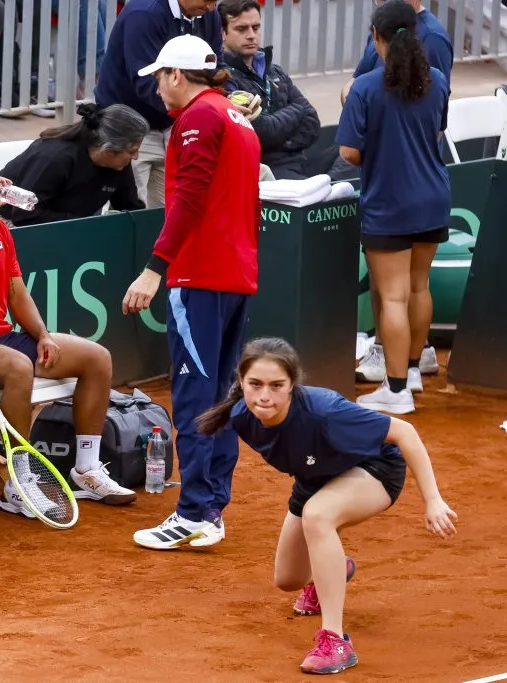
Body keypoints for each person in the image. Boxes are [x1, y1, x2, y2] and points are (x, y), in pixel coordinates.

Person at [194, 337, 457, 674]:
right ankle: (331, 572)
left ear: (292, 385)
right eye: (255, 384)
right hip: (315, 479)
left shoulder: (325, 412)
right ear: (241, 382)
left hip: (374, 470)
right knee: (288, 579)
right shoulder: (242, 416)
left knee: (318, 516)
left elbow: (404, 433)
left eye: (277, 386)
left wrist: (433, 500)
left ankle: (336, 641)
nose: (264, 396)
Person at [0, 133, 135, 511]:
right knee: (17, 366)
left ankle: (85, 468)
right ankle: (20, 479)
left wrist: (42, 334)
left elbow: (16, 293)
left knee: (96, 358)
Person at [122, 35, 260, 549]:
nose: (158, 89)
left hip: (200, 274)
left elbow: (191, 198)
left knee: (197, 397)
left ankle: (194, 512)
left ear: (178, 75)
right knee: (222, 394)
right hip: (234, 273)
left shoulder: (198, 120)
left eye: (160, 77)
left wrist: (155, 267)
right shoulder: (234, 116)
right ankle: (211, 508)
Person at [337, 0, 450, 415]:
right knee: (419, 287)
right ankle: (414, 372)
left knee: (395, 297)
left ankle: (397, 389)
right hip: (433, 198)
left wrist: (380, 150)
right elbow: (437, 132)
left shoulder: (365, 88)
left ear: (376, 38)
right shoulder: (436, 79)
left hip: (390, 202)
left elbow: (349, 151)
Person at [94, 0, 224, 208]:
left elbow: (217, 67)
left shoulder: (207, 13)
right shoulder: (143, 13)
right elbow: (145, 82)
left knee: (166, 212)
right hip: (129, 125)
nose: (211, 7)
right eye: (208, 0)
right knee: (128, 214)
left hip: (172, 121)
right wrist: (202, 109)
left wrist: (229, 97)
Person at [219, 0, 337, 180]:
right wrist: (297, 110)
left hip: (299, 161)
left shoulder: (275, 71)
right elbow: (261, 133)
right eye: (242, 29)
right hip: (268, 171)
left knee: (354, 151)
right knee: (317, 193)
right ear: (222, 33)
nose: (251, 35)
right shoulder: (224, 79)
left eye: (256, 27)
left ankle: (333, 193)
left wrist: (282, 142)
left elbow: (312, 123)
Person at [0, 103, 147, 227]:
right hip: (10, 220)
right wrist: (83, 224)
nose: (136, 157)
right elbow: (24, 216)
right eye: (132, 151)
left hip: (73, 220)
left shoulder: (119, 164)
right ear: (108, 150)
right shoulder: (55, 157)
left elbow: (131, 208)